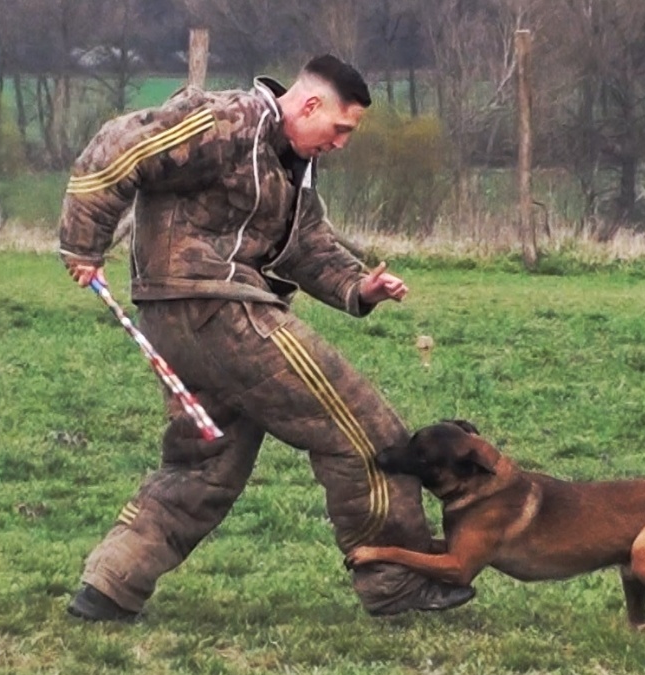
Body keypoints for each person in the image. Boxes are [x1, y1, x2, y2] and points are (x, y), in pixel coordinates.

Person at [58, 54, 475, 620]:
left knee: (205, 465)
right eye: (340, 129)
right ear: (309, 105)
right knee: (360, 426)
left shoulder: (292, 168)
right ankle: (396, 578)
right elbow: (119, 146)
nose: (341, 143)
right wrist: (83, 242)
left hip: (186, 318)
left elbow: (306, 247)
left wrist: (360, 286)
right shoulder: (228, 120)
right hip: (216, 308)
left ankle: (109, 586)